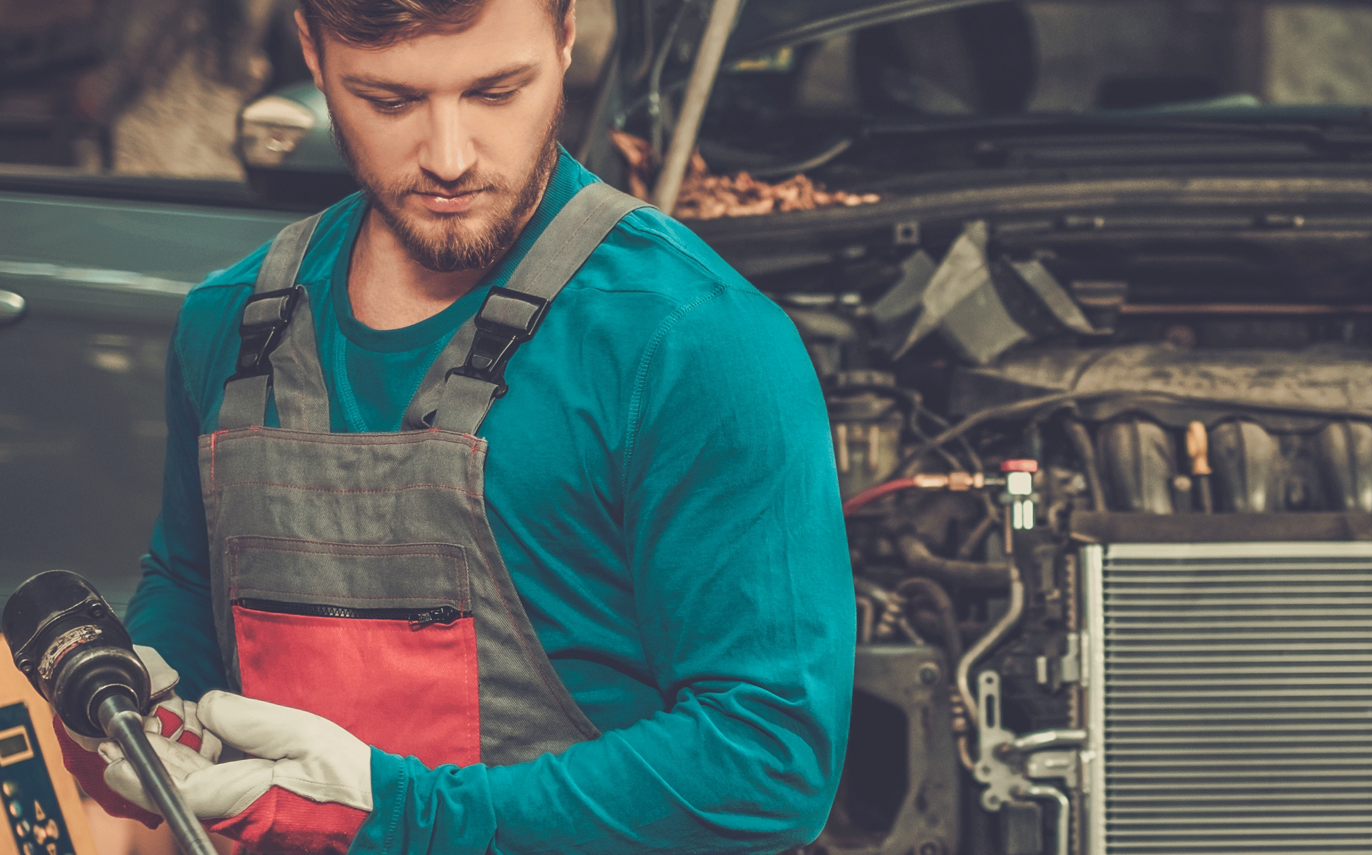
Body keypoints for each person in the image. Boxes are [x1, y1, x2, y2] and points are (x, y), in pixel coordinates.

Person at [52, 0, 855, 853]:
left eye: (496, 91)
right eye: (390, 101)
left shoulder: (689, 339)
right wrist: (145, 713)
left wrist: (397, 811)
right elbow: (187, 582)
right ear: (311, 54)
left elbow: (767, 758)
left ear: (566, 33)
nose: (448, 157)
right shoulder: (230, 321)